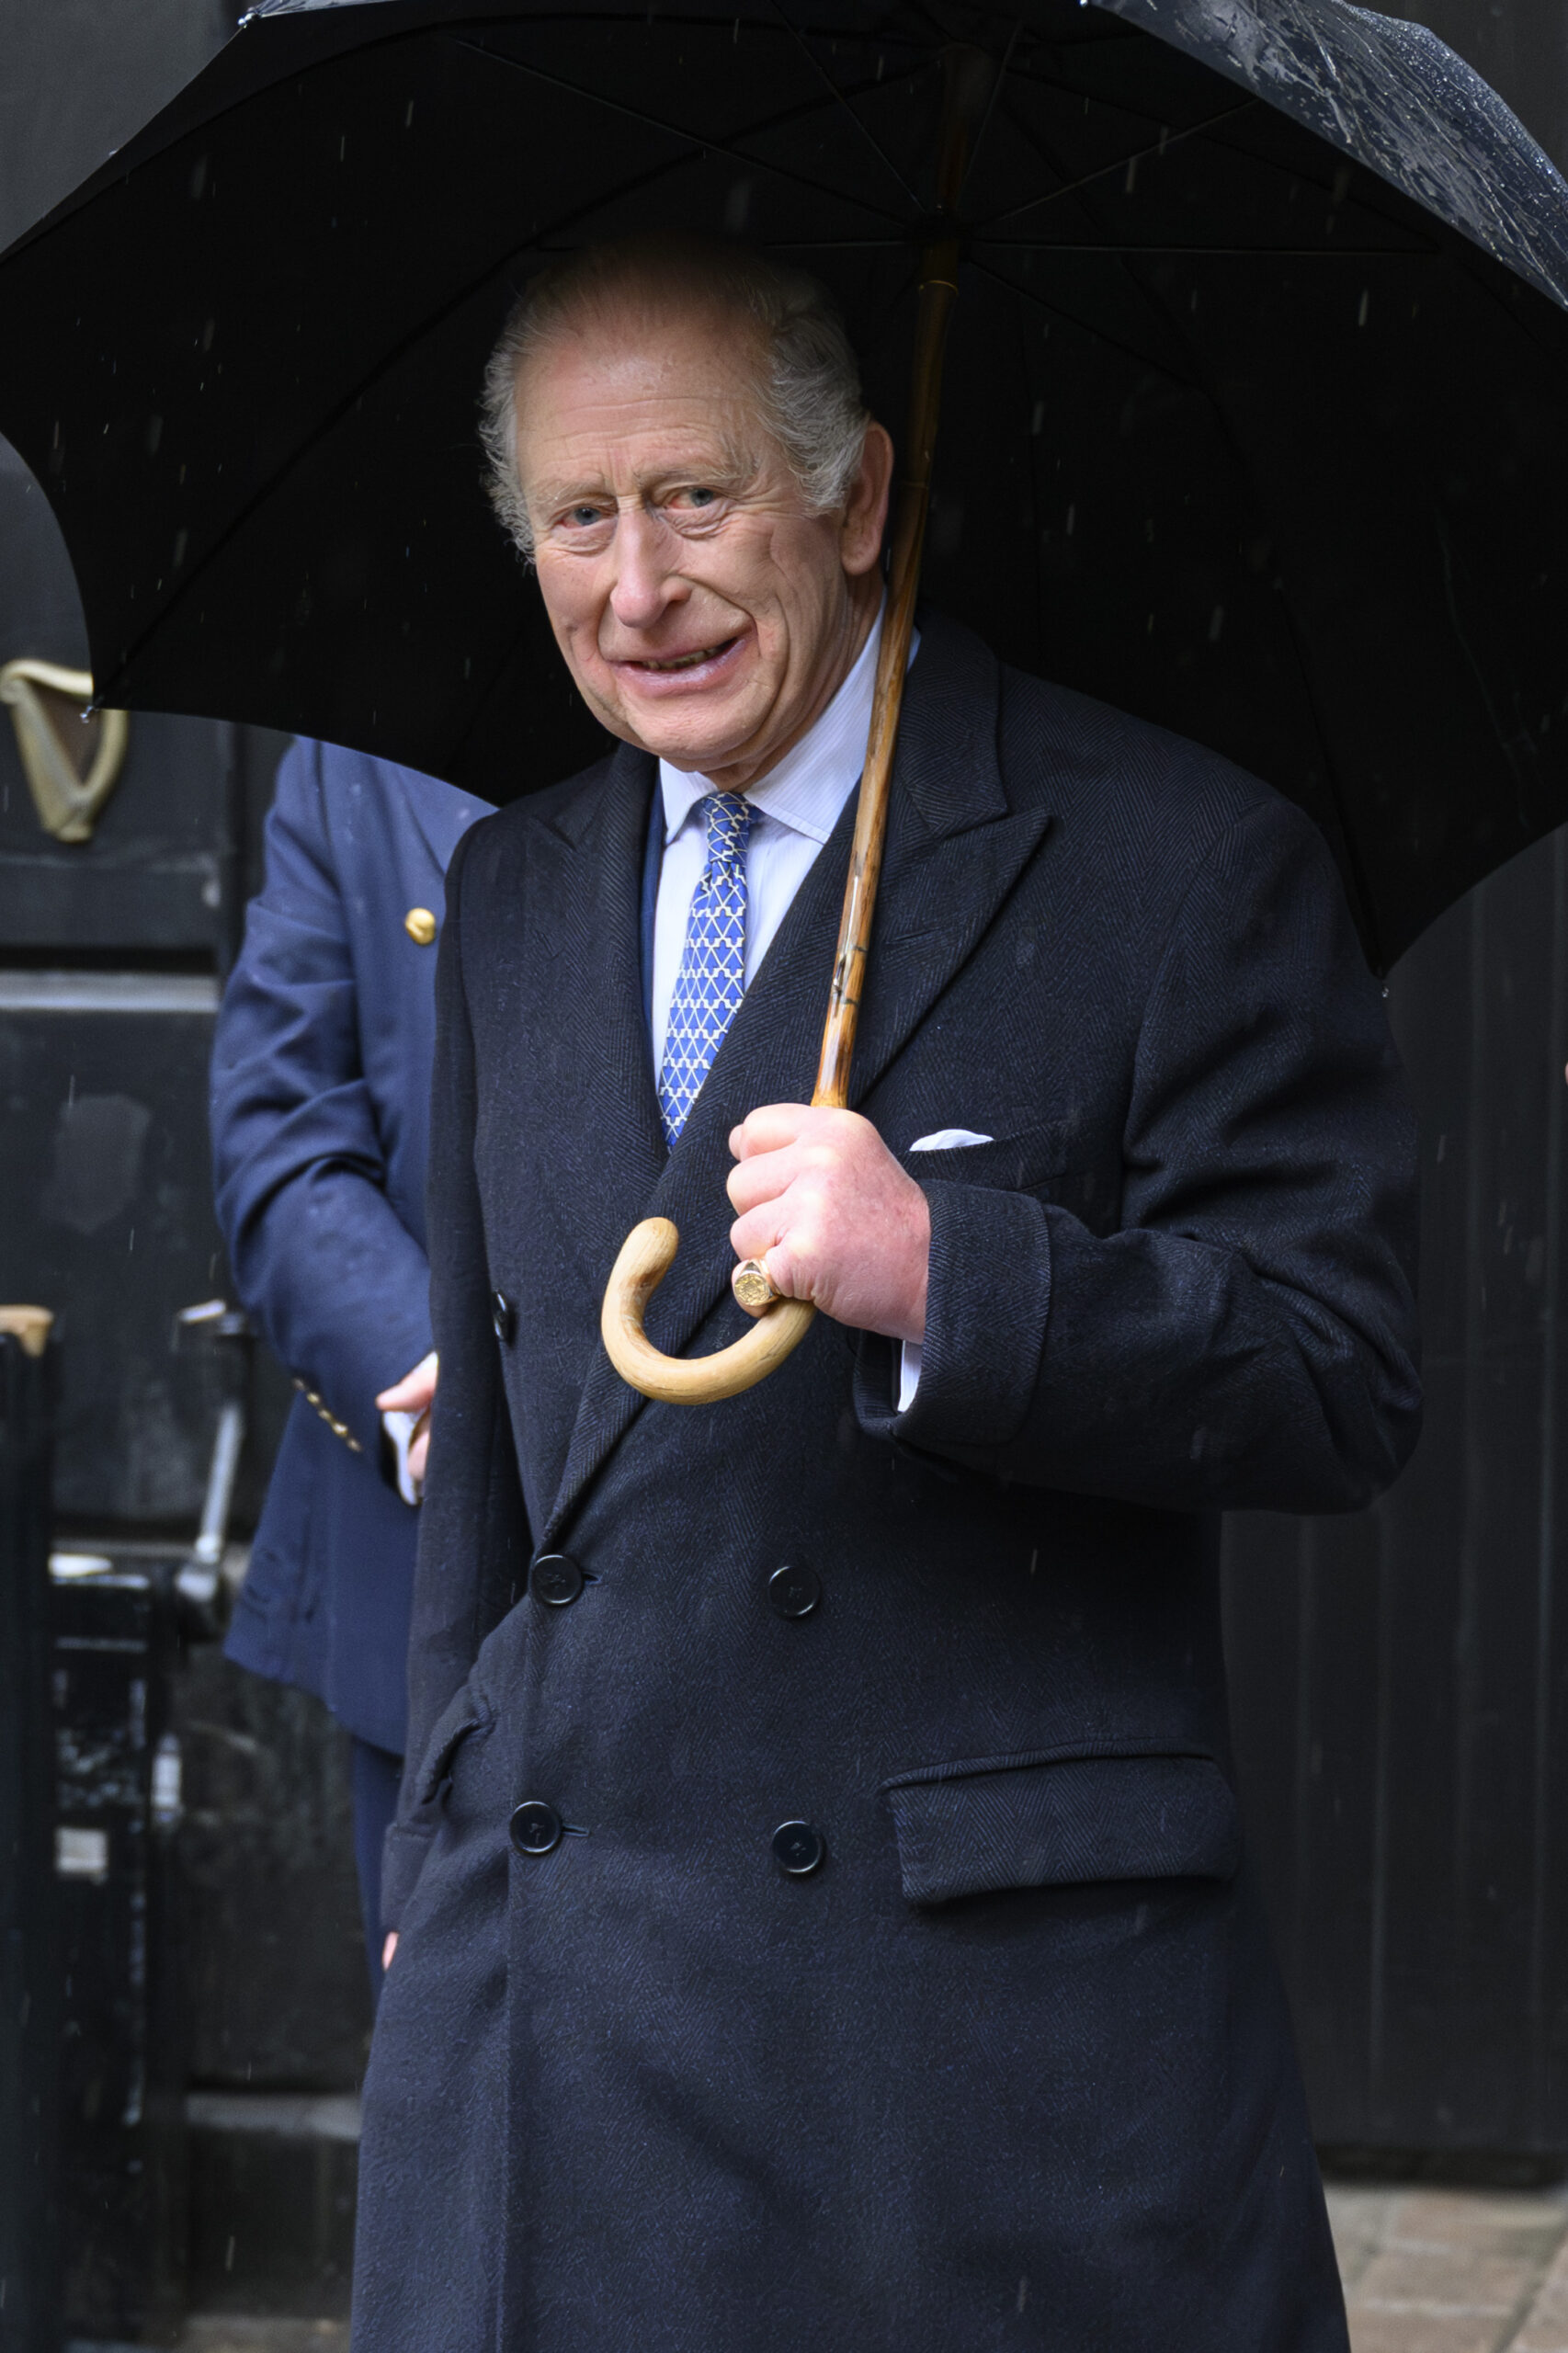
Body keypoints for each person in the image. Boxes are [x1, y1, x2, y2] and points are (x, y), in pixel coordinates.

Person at [353, 235, 1421, 2350]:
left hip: (959, 2051)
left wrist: (952, 1278)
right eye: (578, 514)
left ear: (855, 498)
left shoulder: (1176, 860)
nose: (635, 587)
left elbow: (1338, 1370)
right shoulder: (510, 883)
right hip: (553, 1993)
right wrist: (436, 1855)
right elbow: (498, 1469)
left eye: (695, 496)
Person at [210, 737, 488, 1994]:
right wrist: (438, 1381)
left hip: (789, 1591)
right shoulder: (357, 755)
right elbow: (279, 1136)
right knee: (454, 2089)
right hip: (436, 1587)